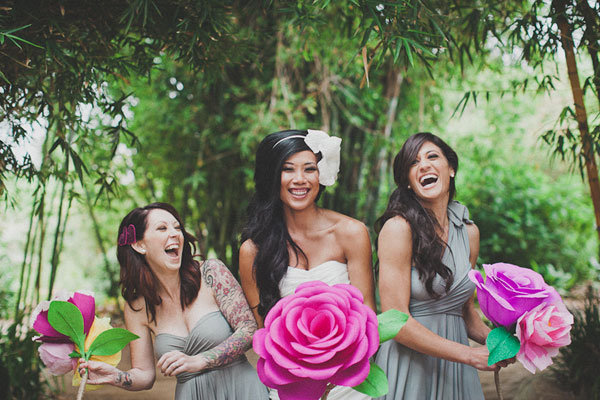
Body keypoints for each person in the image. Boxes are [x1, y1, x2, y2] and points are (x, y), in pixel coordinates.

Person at [78, 203, 268, 400]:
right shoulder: (137, 307)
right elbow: (145, 375)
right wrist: (115, 376)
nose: (175, 234)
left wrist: (201, 360)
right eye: (162, 228)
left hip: (242, 391)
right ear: (139, 245)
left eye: (177, 228)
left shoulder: (211, 273)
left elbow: (249, 329)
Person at [239, 129, 376, 400]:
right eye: (288, 169)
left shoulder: (352, 233)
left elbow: (368, 316)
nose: (299, 179)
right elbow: (265, 332)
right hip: (292, 384)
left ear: (322, 174)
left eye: (309, 169)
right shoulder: (253, 251)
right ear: (271, 176)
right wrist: (304, 379)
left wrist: (339, 376)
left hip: (350, 384)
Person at [374, 132, 512, 400]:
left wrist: (506, 344)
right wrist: (470, 355)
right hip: (409, 364)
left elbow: (464, 312)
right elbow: (395, 321)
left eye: (432, 156)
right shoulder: (398, 229)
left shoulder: (469, 233)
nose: (423, 165)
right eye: (413, 163)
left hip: (455, 369)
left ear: (450, 168)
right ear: (408, 182)